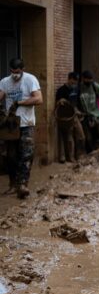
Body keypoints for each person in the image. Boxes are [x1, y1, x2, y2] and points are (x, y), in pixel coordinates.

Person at [0, 58, 42, 198]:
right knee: (10, 156)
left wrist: (20, 102)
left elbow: (38, 99)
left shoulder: (30, 80)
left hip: (27, 123)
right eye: (12, 72)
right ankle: (13, 185)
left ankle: (23, 184)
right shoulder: (5, 82)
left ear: (22, 69)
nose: (14, 75)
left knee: (26, 154)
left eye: (17, 72)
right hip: (10, 125)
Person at [55, 72, 85, 162]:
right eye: (73, 81)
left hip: (75, 115)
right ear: (69, 79)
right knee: (69, 138)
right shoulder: (61, 90)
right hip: (67, 117)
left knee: (81, 136)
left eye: (76, 82)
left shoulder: (76, 89)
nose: (74, 84)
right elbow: (58, 103)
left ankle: (80, 155)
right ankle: (71, 158)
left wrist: (79, 111)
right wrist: (62, 101)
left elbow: (78, 101)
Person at [78, 70, 99, 152]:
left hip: (96, 115)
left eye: (91, 80)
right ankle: (91, 153)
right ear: (83, 79)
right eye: (87, 80)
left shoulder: (95, 86)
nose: (89, 82)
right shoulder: (79, 88)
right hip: (85, 116)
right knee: (88, 137)